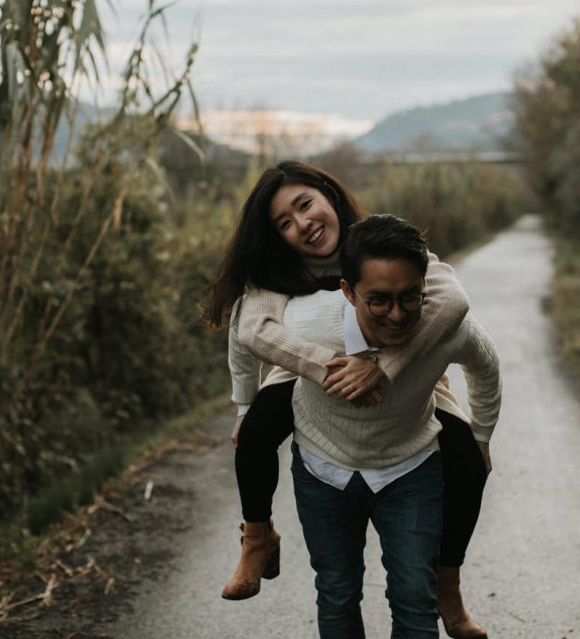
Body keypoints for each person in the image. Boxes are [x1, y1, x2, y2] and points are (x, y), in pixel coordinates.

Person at [206, 162, 491, 638]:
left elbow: (451, 300)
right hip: (307, 373)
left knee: (465, 456)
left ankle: (448, 583)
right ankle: (257, 536)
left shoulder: (381, 243)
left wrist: (380, 367)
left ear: (327, 193)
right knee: (254, 433)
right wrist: (252, 399)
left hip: (408, 371)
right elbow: (248, 332)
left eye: (304, 205)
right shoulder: (276, 271)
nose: (303, 224)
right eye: (285, 222)